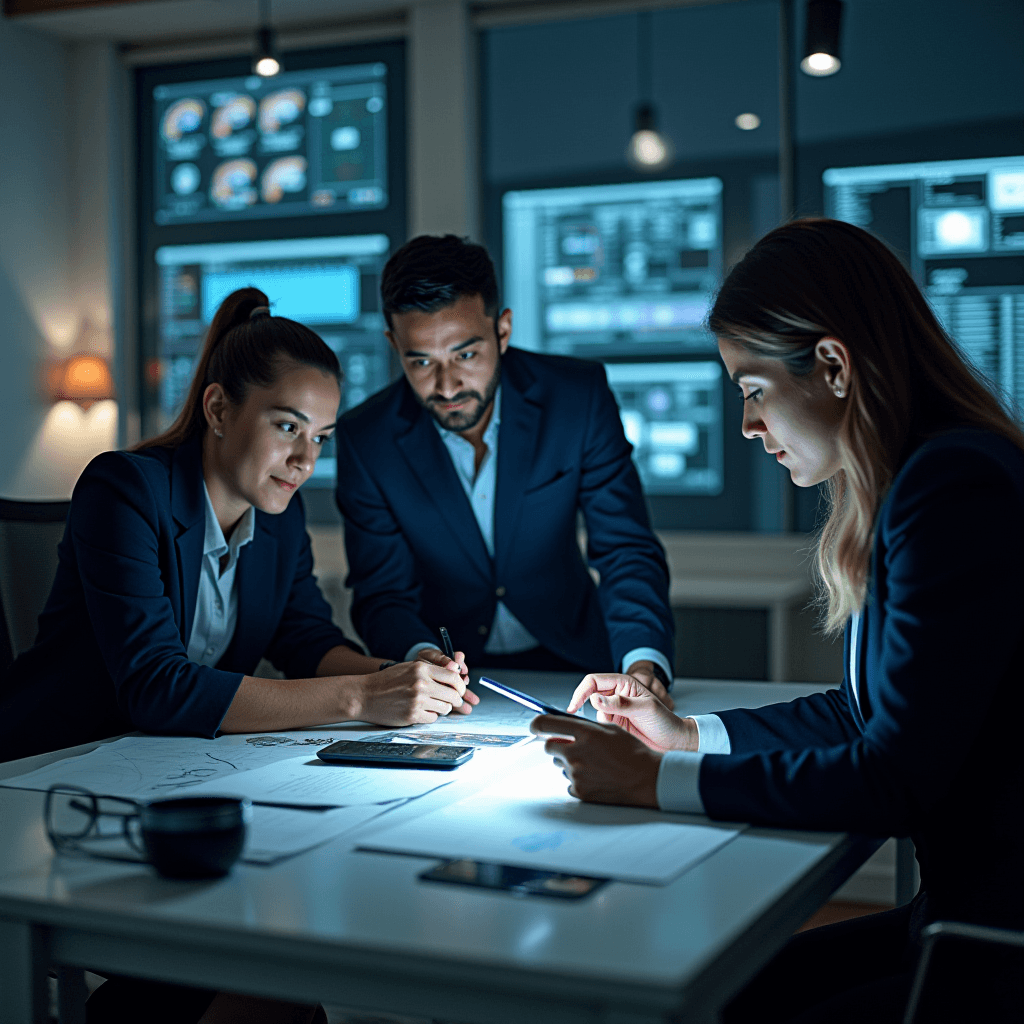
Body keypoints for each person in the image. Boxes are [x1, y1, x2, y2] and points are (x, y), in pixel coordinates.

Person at [532, 219, 1024, 1023]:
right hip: (962, 917)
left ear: (831, 365)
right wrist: (686, 736)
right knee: (727, 990)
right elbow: (858, 714)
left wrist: (656, 782)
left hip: (989, 947)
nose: (748, 426)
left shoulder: (952, 489)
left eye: (753, 390)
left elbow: (894, 780)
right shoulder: (922, 479)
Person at [0, 286, 474, 764]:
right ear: (219, 410)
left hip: (170, 763)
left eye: (320, 438)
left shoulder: (280, 519)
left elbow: (307, 642)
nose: (304, 461)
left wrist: (403, 674)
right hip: (54, 760)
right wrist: (363, 696)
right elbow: (154, 685)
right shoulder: (124, 490)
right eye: (288, 427)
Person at [334, 234, 675, 703]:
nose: (447, 385)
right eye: (421, 362)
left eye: (465, 354)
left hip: (578, 664)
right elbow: (382, 593)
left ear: (503, 330)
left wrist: (641, 661)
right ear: (394, 345)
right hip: (452, 687)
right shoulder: (366, 439)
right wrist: (420, 656)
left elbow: (625, 548)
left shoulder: (577, 398)